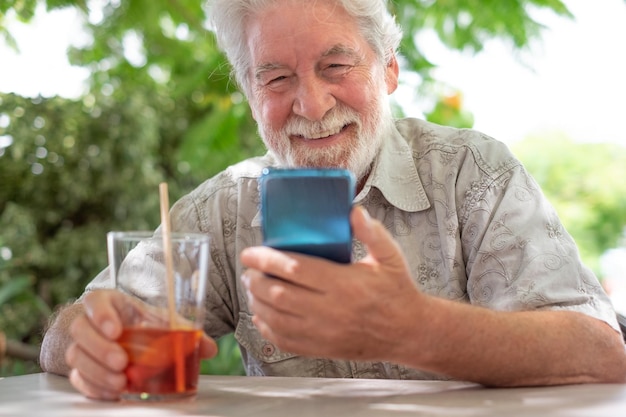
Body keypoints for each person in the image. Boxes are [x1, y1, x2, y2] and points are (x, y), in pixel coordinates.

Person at [39, 0, 626, 400]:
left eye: (336, 65)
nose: (313, 105)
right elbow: (71, 333)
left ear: (389, 69)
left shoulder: (473, 173)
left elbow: (600, 351)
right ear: (249, 94)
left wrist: (413, 328)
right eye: (276, 79)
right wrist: (85, 339)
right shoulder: (223, 208)